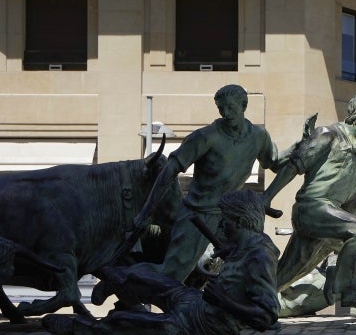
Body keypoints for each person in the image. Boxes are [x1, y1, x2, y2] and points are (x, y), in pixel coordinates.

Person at [45, 190, 280, 335]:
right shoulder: (246, 246)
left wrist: (224, 301)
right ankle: (116, 282)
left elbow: (267, 316)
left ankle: (83, 329)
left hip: (205, 327)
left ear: (239, 221)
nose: (221, 226)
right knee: (145, 276)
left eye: (225, 221)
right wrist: (230, 252)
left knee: (122, 323)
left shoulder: (259, 258)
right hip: (196, 303)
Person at [117, 84, 280, 285]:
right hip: (197, 214)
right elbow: (169, 170)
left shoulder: (259, 136)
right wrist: (146, 212)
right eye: (221, 109)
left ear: (244, 105)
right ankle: (119, 279)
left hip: (230, 215)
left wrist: (302, 151)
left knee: (258, 257)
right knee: (171, 276)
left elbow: (274, 164)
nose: (226, 113)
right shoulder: (205, 137)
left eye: (230, 108)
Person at [265, 91, 356, 307]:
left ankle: (247, 305)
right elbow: (292, 167)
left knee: (288, 273)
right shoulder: (328, 134)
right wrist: (267, 196)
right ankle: (348, 289)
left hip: (331, 217)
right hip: (311, 208)